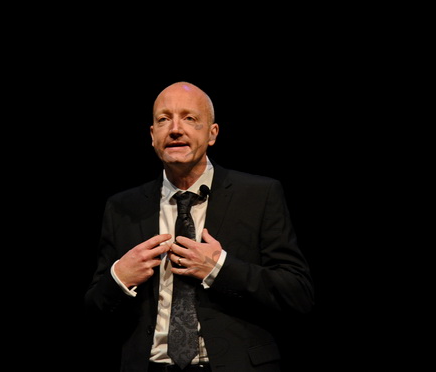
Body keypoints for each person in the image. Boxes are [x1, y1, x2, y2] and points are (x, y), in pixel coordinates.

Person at [84, 81, 314, 372]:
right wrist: (120, 277)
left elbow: (297, 294)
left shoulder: (259, 195)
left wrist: (219, 268)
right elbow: (95, 308)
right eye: (163, 119)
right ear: (153, 136)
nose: (175, 129)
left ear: (212, 133)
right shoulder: (122, 207)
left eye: (189, 118)